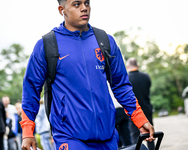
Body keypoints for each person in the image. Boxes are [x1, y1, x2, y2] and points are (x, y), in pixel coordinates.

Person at [20, 0, 155, 150]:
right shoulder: (46, 46)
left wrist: (140, 119)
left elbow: (121, 85)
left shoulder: (105, 41)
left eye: (87, 3)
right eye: (77, 4)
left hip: (108, 135)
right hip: (69, 137)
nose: (84, 8)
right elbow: (31, 90)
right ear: (61, 9)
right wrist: (27, 132)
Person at [126, 57, 155, 150]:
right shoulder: (146, 76)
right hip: (147, 108)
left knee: (135, 135)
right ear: (137, 65)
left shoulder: (126, 79)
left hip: (134, 110)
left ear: (127, 66)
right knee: (150, 134)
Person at [108, 83, 132, 147]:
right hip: (122, 109)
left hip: (113, 111)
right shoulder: (118, 83)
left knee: (116, 138)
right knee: (126, 136)